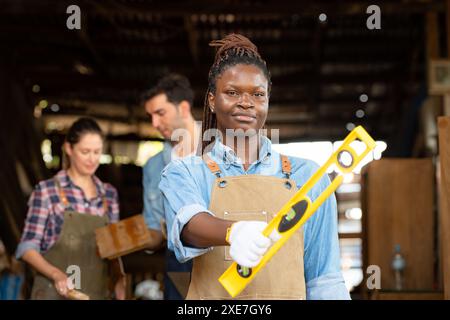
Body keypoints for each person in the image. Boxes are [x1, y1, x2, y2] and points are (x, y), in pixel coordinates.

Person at [159, 34, 350, 299]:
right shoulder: (186, 172)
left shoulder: (308, 176)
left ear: (268, 101)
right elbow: (189, 225)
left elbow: (324, 277)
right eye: (232, 92)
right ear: (212, 101)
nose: (246, 103)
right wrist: (233, 232)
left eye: (258, 94)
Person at [16, 117, 125, 300]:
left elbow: (113, 249)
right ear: (69, 148)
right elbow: (27, 248)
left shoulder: (109, 195)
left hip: (96, 294)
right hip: (51, 293)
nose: (92, 159)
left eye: (97, 152)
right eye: (85, 151)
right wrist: (56, 274)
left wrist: (119, 278)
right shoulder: (47, 191)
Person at [141, 74, 200, 299]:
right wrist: (121, 240)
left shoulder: (223, 150)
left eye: (160, 113)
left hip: (224, 258)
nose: (154, 124)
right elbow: (154, 229)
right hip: (178, 263)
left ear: (183, 108)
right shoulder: (152, 167)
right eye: (150, 116)